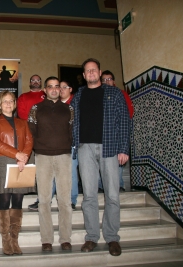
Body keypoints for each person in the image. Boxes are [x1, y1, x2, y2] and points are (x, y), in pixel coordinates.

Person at [71, 58, 130, 257]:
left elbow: (124, 121)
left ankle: (112, 238)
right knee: (89, 196)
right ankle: (92, 237)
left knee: (112, 195)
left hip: (110, 147)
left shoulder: (114, 93)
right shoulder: (78, 95)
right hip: (85, 149)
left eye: (93, 70)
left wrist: (124, 148)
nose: (91, 73)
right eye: (87, 71)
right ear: (84, 74)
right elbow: (72, 122)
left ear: (99, 71)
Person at [28, 76, 74, 252]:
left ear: (60, 90)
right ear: (45, 90)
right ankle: (46, 239)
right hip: (43, 157)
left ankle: (65, 239)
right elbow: (31, 131)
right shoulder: (36, 108)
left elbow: (71, 130)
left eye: (57, 87)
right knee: (44, 200)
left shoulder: (69, 109)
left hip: (64, 156)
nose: (54, 89)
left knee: (64, 200)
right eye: (50, 87)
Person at [0, 90, 35, 255]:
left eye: (11, 101)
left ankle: (15, 239)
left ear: (15, 104)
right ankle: (6, 240)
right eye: (5, 101)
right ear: (0, 104)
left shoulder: (23, 122)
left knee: (18, 201)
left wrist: (24, 157)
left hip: (21, 163)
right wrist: (17, 154)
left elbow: (29, 140)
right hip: (4, 162)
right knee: (4, 201)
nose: (8, 104)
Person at [98, 70, 134, 193]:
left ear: (114, 81)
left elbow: (128, 114)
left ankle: (118, 184)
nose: (106, 82)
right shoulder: (98, 94)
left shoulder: (121, 93)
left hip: (117, 134)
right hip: (101, 135)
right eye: (104, 80)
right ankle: (100, 186)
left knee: (117, 163)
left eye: (109, 79)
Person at [17, 74, 46, 211]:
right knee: (27, 164)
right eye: (32, 80)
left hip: (44, 137)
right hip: (27, 135)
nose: (35, 82)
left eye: (37, 80)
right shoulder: (23, 97)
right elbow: (22, 115)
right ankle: (25, 191)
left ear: (41, 82)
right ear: (29, 82)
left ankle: (41, 197)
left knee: (42, 168)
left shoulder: (46, 96)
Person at [60, 80, 78, 210]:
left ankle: (72, 200)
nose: (61, 89)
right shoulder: (54, 104)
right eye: (59, 87)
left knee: (71, 173)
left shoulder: (76, 103)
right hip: (55, 145)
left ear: (70, 89)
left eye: (64, 87)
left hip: (72, 144)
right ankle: (45, 200)